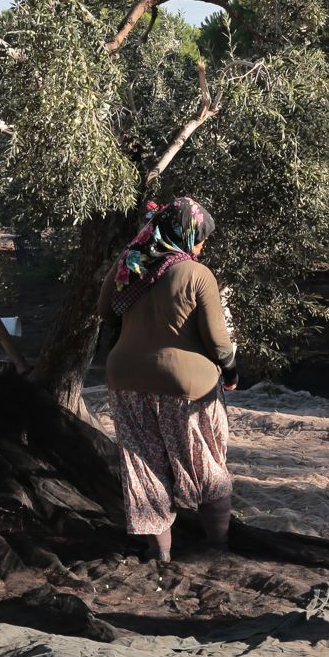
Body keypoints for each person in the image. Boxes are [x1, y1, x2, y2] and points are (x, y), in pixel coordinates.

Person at [98, 198, 238, 563]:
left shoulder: (128, 266)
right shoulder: (196, 273)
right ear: (186, 235)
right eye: (201, 237)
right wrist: (233, 369)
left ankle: (160, 554)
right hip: (185, 386)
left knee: (143, 464)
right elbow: (218, 341)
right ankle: (218, 548)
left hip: (125, 378)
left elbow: (104, 311)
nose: (202, 245)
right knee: (204, 461)